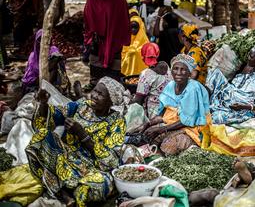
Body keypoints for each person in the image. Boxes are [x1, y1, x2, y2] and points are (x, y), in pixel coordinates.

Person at [26, 76, 129, 207]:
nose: (95, 96)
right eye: (95, 91)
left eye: (101, 94)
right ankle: (64, 193)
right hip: (66, 156)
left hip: (92, 166)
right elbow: (53, 115)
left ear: (111, 101)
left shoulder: (117, 121)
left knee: (97, 186)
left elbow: (111, 160)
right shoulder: (81, 106)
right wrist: (43, 103)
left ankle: (63, 189)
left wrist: (82, 134)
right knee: (40, 137)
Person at [139, 54, 211, 155]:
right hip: (175, 123)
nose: (178, 73)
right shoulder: (170, 86)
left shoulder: (193, 89)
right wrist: (149, 123)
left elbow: (187, 121)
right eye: (175, 69)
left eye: (183, 69)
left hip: (193, 128)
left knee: (168, 146)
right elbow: (163, 114)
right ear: (171, 71)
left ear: (189, 73)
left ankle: (191, 149)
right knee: (149, 136)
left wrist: (160, 130)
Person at [206, 45, 255, 125]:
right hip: (230, 95)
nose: (248, 58)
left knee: (216, 118)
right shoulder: (251, 68)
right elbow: (236, 85)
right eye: (249, 54)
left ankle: (214, 107)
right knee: (215, 73)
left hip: (243, 107)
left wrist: (242, 106)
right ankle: (204, 100)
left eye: (251, 56)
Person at [83, 0, 130, 91]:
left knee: (114, 60)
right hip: (97, 35)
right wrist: (93, 30)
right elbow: (88, 12)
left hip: (113, 36)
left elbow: (121, 19)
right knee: (94, 59)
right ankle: (94, 82)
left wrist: (111, 34)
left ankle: (113, 86)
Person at [22, 29, 70, 95]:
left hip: (51, 81)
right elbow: (31, 80)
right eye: (40, 40)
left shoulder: (53, 49)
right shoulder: (33, 57)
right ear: (36, 42)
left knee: (59, 62)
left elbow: (57, 62)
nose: (43, 43)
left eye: (46, 40)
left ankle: (61, 89)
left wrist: (53, 62)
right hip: (37, 83)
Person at [131, 42, 172, 119]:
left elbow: (138, 100)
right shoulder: (166, 66)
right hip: (168, 108)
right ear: (157, 54)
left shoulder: (146, 74)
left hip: (154, 112)